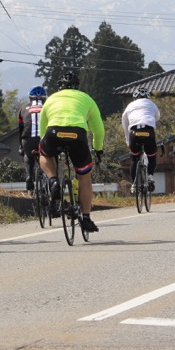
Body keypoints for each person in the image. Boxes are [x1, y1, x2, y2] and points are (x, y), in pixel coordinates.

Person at [38, 72, 105, 232]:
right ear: (77, 87)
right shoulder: (87, 99)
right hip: (77, 135)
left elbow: (42, 131)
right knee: (84, 177)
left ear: (59, 87)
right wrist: (98, 149)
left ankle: (53, 181)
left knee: (45, 153)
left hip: (53, 132)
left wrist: (45, 145)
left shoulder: (51, 99)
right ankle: (86, 218)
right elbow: (98, 130)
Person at [121, 86, 160, 193]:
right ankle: (150, 177)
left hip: (134, 133)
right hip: (149, 131)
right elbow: (157, 117)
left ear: (135, 97)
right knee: (152, 156)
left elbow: (124, 122)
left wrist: (127, 140)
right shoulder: (151, 104)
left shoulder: (130, 106)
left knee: (134, 158)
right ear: (147, 96)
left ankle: (134, 184)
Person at [18, 86, 47, 194]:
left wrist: (21, 146)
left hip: (27, 140)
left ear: (30, 98)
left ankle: (29, 175)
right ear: (44, 98)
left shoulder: (23, 108)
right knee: (50, 158)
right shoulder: (47, 107)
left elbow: (20, 130)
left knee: (28, 155)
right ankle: (50, 181)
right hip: (44, 139)